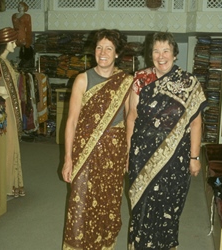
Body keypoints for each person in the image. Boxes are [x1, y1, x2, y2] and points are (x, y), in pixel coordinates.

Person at [126, 32, 207, 250]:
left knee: (169, 209)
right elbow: (132, 116)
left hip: (175, 160)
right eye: (156, 51)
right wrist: (127, 153)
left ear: (174, 54)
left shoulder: (189, 83)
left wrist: (194, 157)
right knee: (142, 209)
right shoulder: (140, 80)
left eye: (166, 51)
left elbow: (196, 123)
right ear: (150, 54)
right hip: (141, 156)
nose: (161, 56)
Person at [61, 29, 133, 250]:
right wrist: (68, 158)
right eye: (99, 47)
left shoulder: (127, 82)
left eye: (109, 48)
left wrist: (129, 153)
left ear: (117, 53)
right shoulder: (82, 79)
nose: (103, 53)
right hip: (85, 151)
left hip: (114, 153)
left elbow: (131, 120)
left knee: (109, 202)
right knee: (80, 201)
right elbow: (71, 121)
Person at [0, 27, 25, 198]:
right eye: (12, 42)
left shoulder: (6, 62)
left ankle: (10, 184)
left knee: (11, 143)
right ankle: (4, 185)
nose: (15, 45)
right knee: (6, 144)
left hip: (8, 104)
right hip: (4, 106)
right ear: (5, 43)